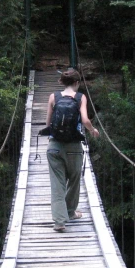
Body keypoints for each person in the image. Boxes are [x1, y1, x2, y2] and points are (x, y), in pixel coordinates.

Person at [43, 69, 100, 232]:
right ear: (77, 83)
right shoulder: (81, 97)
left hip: (54, 147)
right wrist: (92, 130)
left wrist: (51, 138)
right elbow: (85, 120)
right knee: (74, 180)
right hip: (74, 147)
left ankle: (60, 221)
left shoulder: (53, 97)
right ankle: (70, 212)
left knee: (57, 184)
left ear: (62, 82)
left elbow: (48, 124)